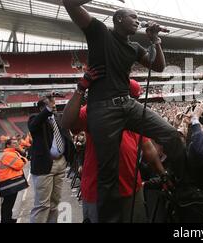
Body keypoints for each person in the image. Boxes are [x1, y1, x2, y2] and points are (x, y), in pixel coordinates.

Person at [63, 0, 185, 222]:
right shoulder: (99, 32)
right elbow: (68, 1)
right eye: (133, 17)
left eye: (139, 18)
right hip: (103, 109)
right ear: (118, 19)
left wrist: (155, 40)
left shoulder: (135, 47)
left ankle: (183, 183)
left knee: (171, 134)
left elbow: (158, 67)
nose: (137, 21)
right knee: (107, 175)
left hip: (127, 104)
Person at [61, 76, 168, 223]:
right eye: (132, 98)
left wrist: (164, 175)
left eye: (135, 99)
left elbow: (148, 148)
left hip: (132, 189)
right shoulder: (94, 109)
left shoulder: (136, 116)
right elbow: (67, 122)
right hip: (98, 192)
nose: (133, 103)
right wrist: (81, 89)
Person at [28, 95, 74, 223]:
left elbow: (67, 136)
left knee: (55, 203)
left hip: (60, 163)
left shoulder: (58, 118)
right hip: (45, 166)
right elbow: (33, 126)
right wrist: (47, 111)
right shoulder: (35, 119)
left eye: (54, 103)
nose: (54, 105)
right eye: (50, 104)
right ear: (42, 108)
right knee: (42, 205)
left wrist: (68, 157)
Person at [0, 138, 29, 223]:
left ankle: (8, 219)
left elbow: (23, 156)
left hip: (10, 182)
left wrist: (22, 158)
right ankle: (5, 221)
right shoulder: (8, 154)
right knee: (8, 203)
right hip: (8, 182)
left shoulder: (12, 152)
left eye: (17, 143)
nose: (17, 144)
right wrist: (23, 160)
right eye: (14, 143)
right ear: (8, 145)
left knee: (9, 203)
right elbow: (19, 165)